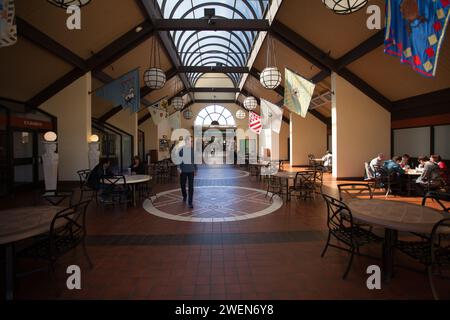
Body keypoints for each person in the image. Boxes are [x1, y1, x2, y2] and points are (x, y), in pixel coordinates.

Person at [178, 136, 197, 209]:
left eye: (191, 141)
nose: (191, 142)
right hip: (183, 171)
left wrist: (195, 169)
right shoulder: (181, 150)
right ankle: (185, 195)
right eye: (190, 141)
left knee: (191, 187)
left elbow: (195, 160)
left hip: (191, 171)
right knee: (182, 185)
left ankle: (190, 202)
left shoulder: (193, 150)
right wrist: (178, 167)